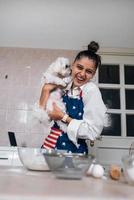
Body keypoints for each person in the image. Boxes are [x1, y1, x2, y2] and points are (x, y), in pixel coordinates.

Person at [39, 41, 107, 154]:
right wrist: (45, 90)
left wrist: (63, 117)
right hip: (50, 146)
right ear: (73, 65)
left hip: (73, 153)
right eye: (79, 67)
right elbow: (44, 119)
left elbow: (93, 132)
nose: (82, 74)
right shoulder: (65, 85)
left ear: (93, 74)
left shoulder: (90, 90)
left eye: (89, 71)